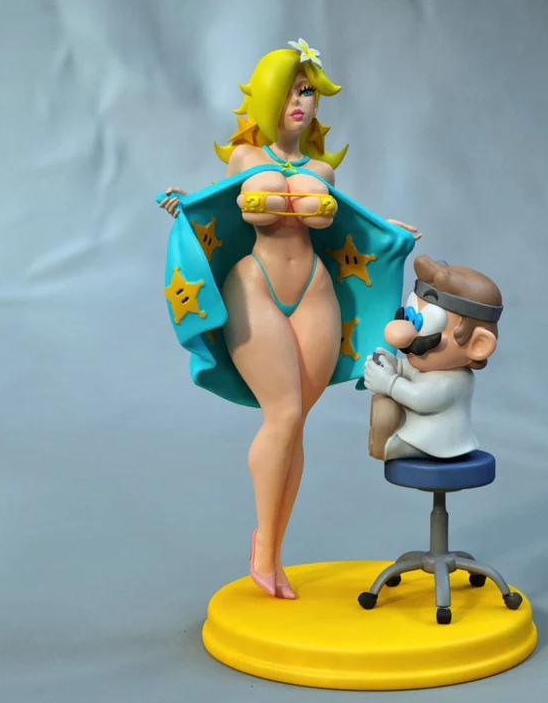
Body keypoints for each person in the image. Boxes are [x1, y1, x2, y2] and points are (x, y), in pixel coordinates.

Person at [159, 40, 417, 598]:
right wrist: (187, 204)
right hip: (256, 284)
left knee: (296, 422)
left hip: (315, 291)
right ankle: (265, 550)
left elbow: (349, 224)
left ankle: (272, 546)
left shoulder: (321, 169)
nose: (300, 102)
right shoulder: (245, 160)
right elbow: (220, 204)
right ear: (267, 98)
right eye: (290, 91)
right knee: (283, 414)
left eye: (307, 91)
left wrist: (388, 233)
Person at [364, 255, 503, 461]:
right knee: (386, 407)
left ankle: (387, 445)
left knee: (389, 423)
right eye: (410, 317)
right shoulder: (430, 369)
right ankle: (387, 436)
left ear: (478, 345)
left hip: (435, 444)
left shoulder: (456, 380)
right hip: (415, 432)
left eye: (427, 324)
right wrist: (396, 366)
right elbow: (413, 373)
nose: (404, 333)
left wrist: (389, 383)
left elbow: (421, 399)